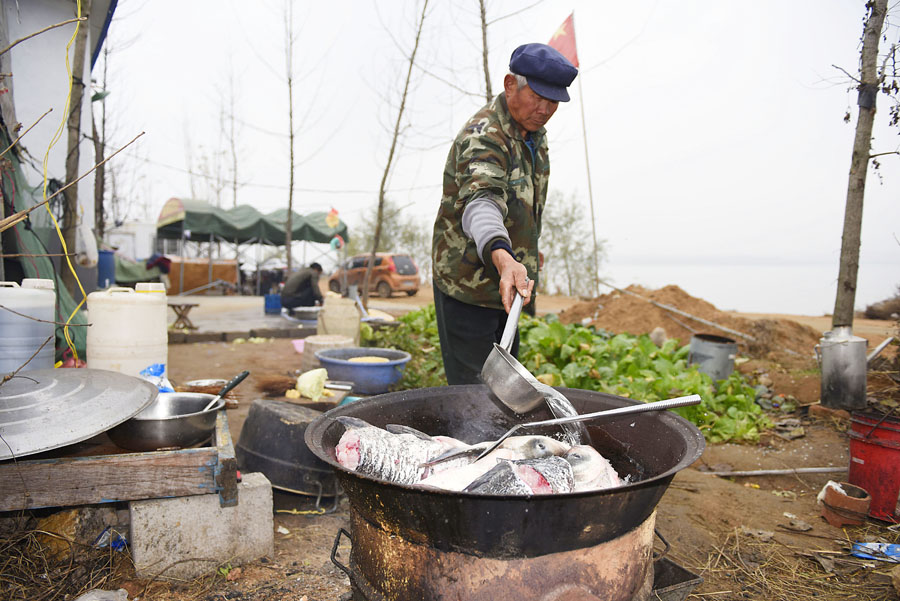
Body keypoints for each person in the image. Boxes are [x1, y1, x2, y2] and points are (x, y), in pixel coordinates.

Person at [432, 43, 578, 385]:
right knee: (474, 398)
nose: (545, 109)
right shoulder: (484, 137)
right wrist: (504, 254)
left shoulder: (533, 134)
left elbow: (521, 202)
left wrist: (525, 249)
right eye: (538, 96)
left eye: (554, 101)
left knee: (507, 387)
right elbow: (481, 202)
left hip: (508, 284)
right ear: (510, 84)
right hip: (469, 287)